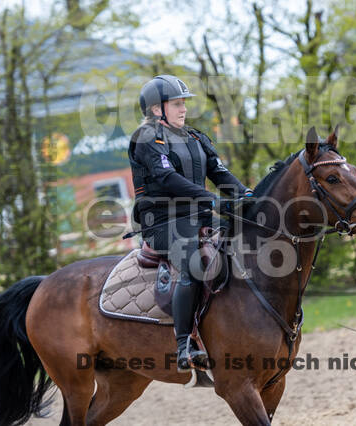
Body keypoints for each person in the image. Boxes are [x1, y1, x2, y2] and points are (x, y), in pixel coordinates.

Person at [128, 75, 251, 371]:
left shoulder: (196, 138)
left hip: (200, 217)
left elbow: (220, 173)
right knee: (194, 262)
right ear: (157, 109)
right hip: (162, 220)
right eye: (177, 104)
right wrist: (211, 200)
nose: (184, 109)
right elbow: (167, 178)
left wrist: (248, 195)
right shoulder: (146, 138)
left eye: (185, 104)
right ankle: (184, 343)